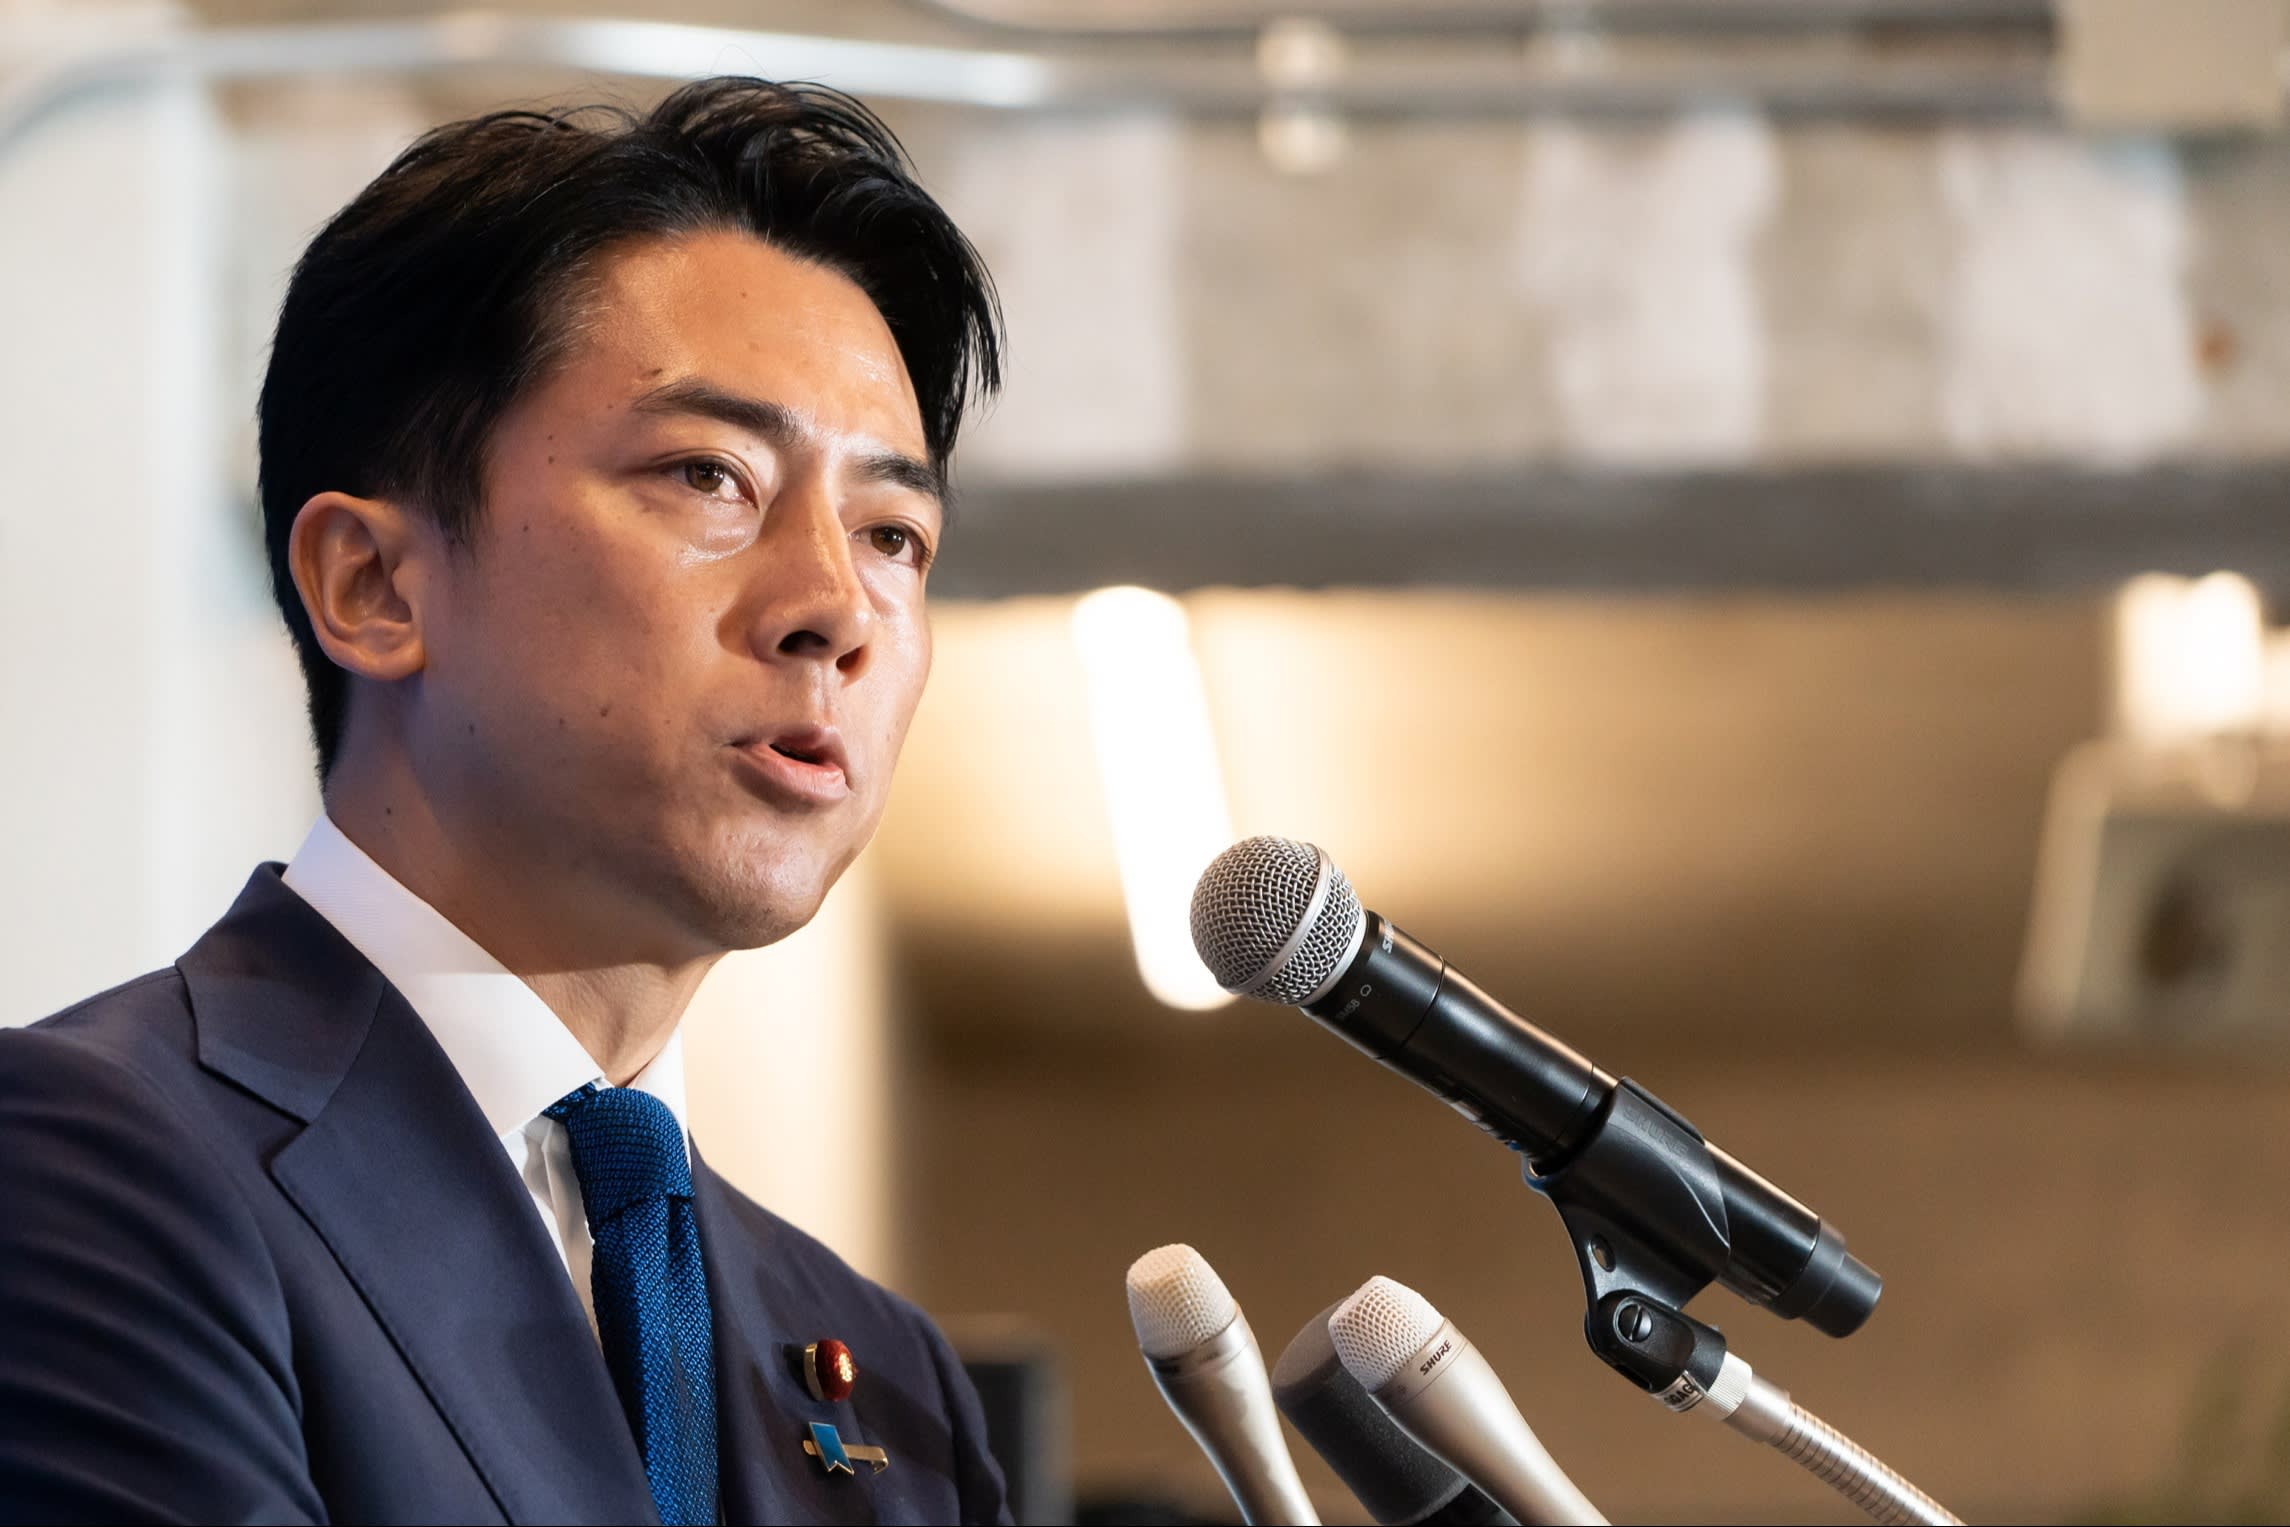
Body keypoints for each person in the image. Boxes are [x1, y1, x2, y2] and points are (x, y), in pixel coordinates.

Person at [0, 76, 1007, 1526]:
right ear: (377, 585)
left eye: (893, 532)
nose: (835, 609)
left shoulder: (885, 1379)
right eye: (709, 475)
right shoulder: (94, 1170)